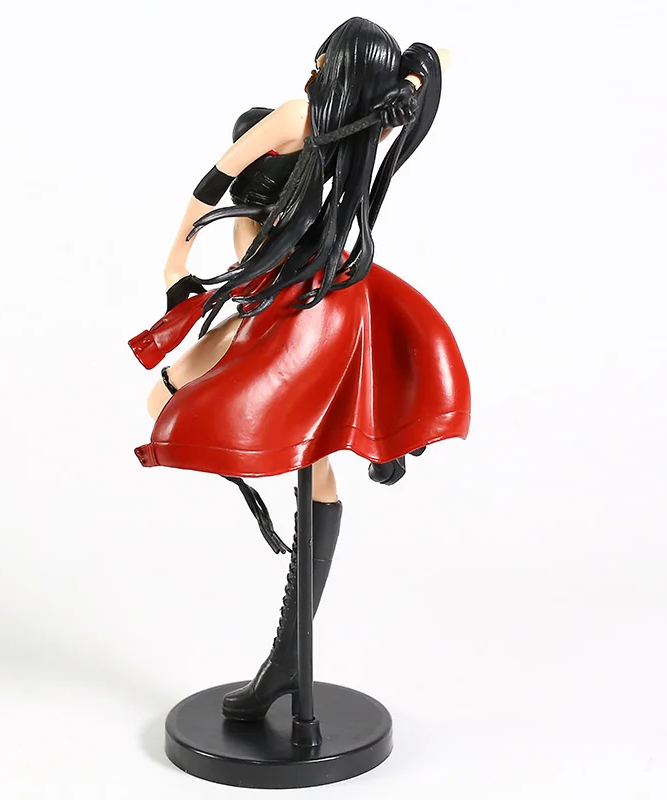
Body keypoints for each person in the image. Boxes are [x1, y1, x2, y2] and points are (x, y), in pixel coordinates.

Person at [129, 16, 471, 721]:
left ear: (329, 65)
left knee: (169, 401)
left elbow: (214, 181)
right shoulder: (366, 126)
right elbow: (434, 57)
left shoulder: (300, 116)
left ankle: (286, 663)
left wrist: (175, 260)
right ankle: (286, 662)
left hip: (290, 298)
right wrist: (404, 86)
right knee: (311, 462)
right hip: (308, 289)